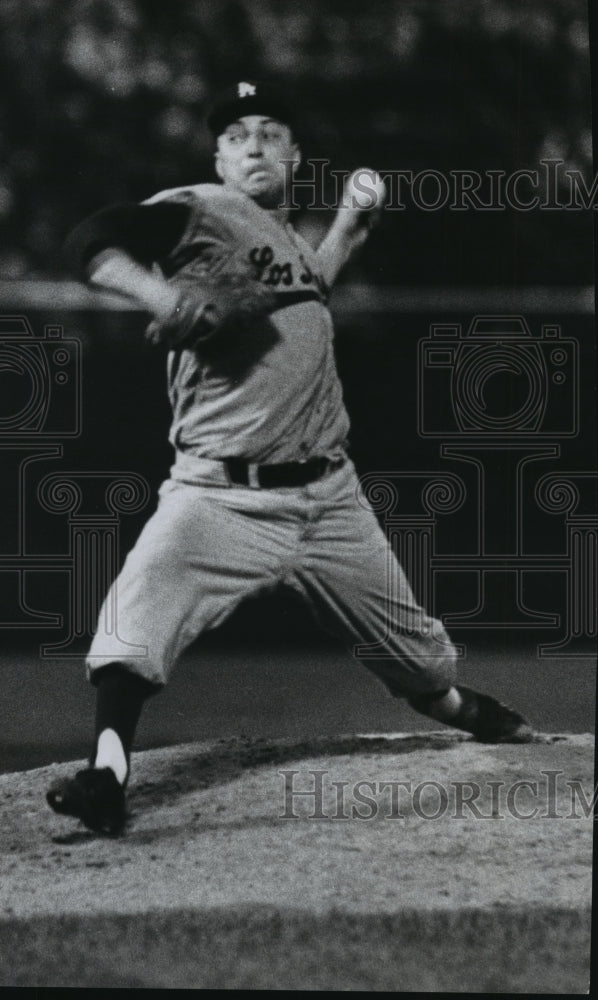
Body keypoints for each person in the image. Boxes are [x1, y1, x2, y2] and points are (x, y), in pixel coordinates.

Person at [47, 81, 533, 835]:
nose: (253, 145)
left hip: (330, 500)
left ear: (295, 156)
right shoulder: (199, 209)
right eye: (236, 135)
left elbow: (315, 282)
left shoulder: (296, 249)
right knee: (135, 621)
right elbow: (91, 240)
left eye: (271, 133)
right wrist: (158, 295)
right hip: (221, 495)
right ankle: (107, 775)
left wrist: (348, 224)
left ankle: (460, 708)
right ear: (218, 158)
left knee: (425, 665)